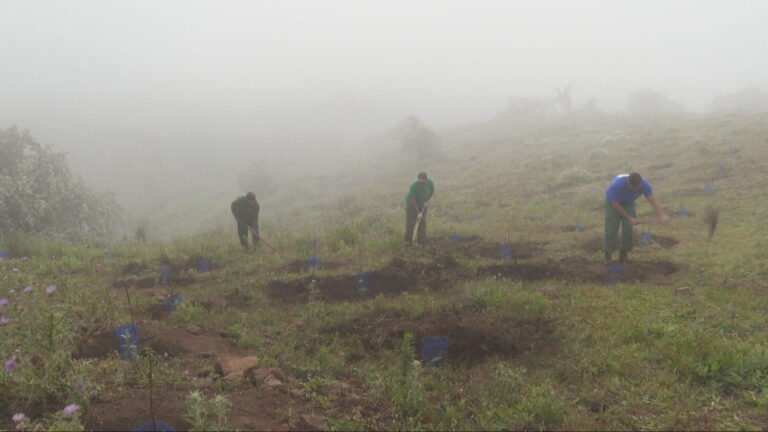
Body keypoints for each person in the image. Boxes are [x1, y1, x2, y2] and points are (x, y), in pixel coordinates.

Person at [604, 172, 669, 263]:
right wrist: (629, 218)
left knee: (628, 229)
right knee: (611, 229)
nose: (635, 190)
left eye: (637, 188)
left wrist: (661, 215)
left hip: (628, 203)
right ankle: (608, 256)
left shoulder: (644, 185)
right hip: (613, 204)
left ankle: (623, 255)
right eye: (633, 188)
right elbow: (615, 204)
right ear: (628, 183)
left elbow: (652, 200)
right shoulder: (617, 186)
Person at [405, 172, 435, 245]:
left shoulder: (429, 182)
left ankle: (421, 240)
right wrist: (418, 212)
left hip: (422, 203)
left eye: (423, 182)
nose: (421, 184)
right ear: (418, 179)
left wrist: (427, 201)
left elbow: (432, 190)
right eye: (420, 182)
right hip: (412, 205)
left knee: (422, 221)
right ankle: (408, 240)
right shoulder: (413, 185)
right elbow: (413, 199)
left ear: (426, 180)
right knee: (411, 222)